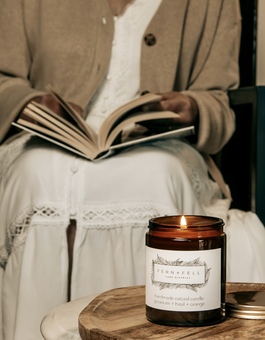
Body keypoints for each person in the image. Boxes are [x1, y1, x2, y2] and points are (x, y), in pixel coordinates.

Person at [0, 0, 265, 339]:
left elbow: (218, 102)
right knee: (37, 176)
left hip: (158, 144)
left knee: (154, 176)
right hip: (47, 140)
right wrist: (32, 103)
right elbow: (4, 79)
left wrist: (190, 106)